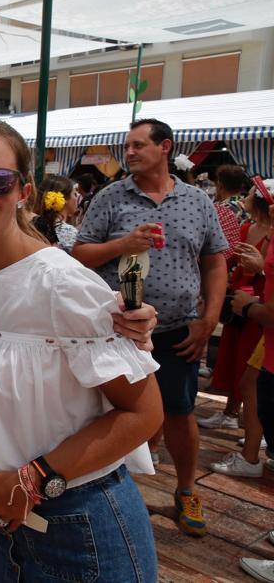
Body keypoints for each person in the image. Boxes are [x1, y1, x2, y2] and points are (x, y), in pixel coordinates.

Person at [0, 118, 163, 582]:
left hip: (76, 520)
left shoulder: (63, 286)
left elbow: (144, 414)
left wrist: (34, 478)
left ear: (23, 192)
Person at [73, 118, 228, 537]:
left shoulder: (197, 201)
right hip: (119, 328)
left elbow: (215, 261)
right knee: (111, 413)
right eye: (127, 146)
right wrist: (122, 245)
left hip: (178, 329)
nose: (129, 153)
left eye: (138, 145)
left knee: (180, 412)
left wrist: (209, 320)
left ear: (165, 148)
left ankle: (186, 490)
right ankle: (111, 496)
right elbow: (80, 254)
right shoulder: (111, 197)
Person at [210, 179, 274, 478]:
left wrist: (252, 303)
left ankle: (253, 453)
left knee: (253, 382)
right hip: (250, 306)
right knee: (248, 377)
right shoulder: (252, 229)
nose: (245, 198)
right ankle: (251, 441)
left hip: (260, 313)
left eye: (252, 194)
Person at [32, 174, 79, 252]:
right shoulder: (69, 232)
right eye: (74, 194)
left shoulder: (31, 225)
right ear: (64, 199)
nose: (77, 198)